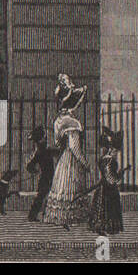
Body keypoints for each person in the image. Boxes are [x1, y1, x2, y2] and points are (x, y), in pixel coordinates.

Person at [42, 75, 90, 229]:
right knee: (71, 187)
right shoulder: (73, 122)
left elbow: (57, 143)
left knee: (61, 186)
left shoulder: (58, 121)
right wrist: (84, 163)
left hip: (63, 160)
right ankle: (71, 219)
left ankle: (61, 218)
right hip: (71, 161)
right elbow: (75, 147)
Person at [87, 126, 125, 235]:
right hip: (109, 189)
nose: (116, 153)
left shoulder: (103, 159)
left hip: (102, 188)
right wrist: (120, 174)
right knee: (109, 208)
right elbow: (111, 178)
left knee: (101, 207)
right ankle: (107, 228)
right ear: (111, 149)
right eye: (116, 151)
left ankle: (101, 226)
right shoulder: (110, 161)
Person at [25, 126, 56, 222]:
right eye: (44, 137)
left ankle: (33, 215)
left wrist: (35, 171)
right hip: (48, 177)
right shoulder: (44, 150)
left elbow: (29, 165)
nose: (46, 139)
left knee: (41, 196)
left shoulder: (40, 150)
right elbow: (30, 165)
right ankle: (34, 215)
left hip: (45, 177)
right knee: (42, 196)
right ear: (42, 138)